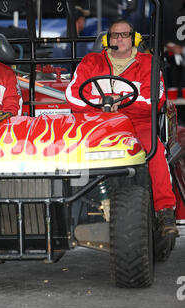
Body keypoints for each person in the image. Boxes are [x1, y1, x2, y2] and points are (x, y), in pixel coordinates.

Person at [65, 18, 178, 236]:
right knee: (66, 152)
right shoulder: (91, 61)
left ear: (134, 39)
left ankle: (165, 212)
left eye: (124, 34)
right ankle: (68, 211)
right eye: (115, 35)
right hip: (96, 124)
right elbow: (73, 95)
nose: (119, 39)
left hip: (136, 125)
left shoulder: (148, 63)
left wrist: (124, 103)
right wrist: (102, 104)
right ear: (107, 39)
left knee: (155, 153)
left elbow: (155, 99)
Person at [53, 5, 90, 73]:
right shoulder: (79, 42)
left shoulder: (61, 37)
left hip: (58, 79)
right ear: (80, 20)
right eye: (84, 19)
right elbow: (81, 69)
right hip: (70, 80)